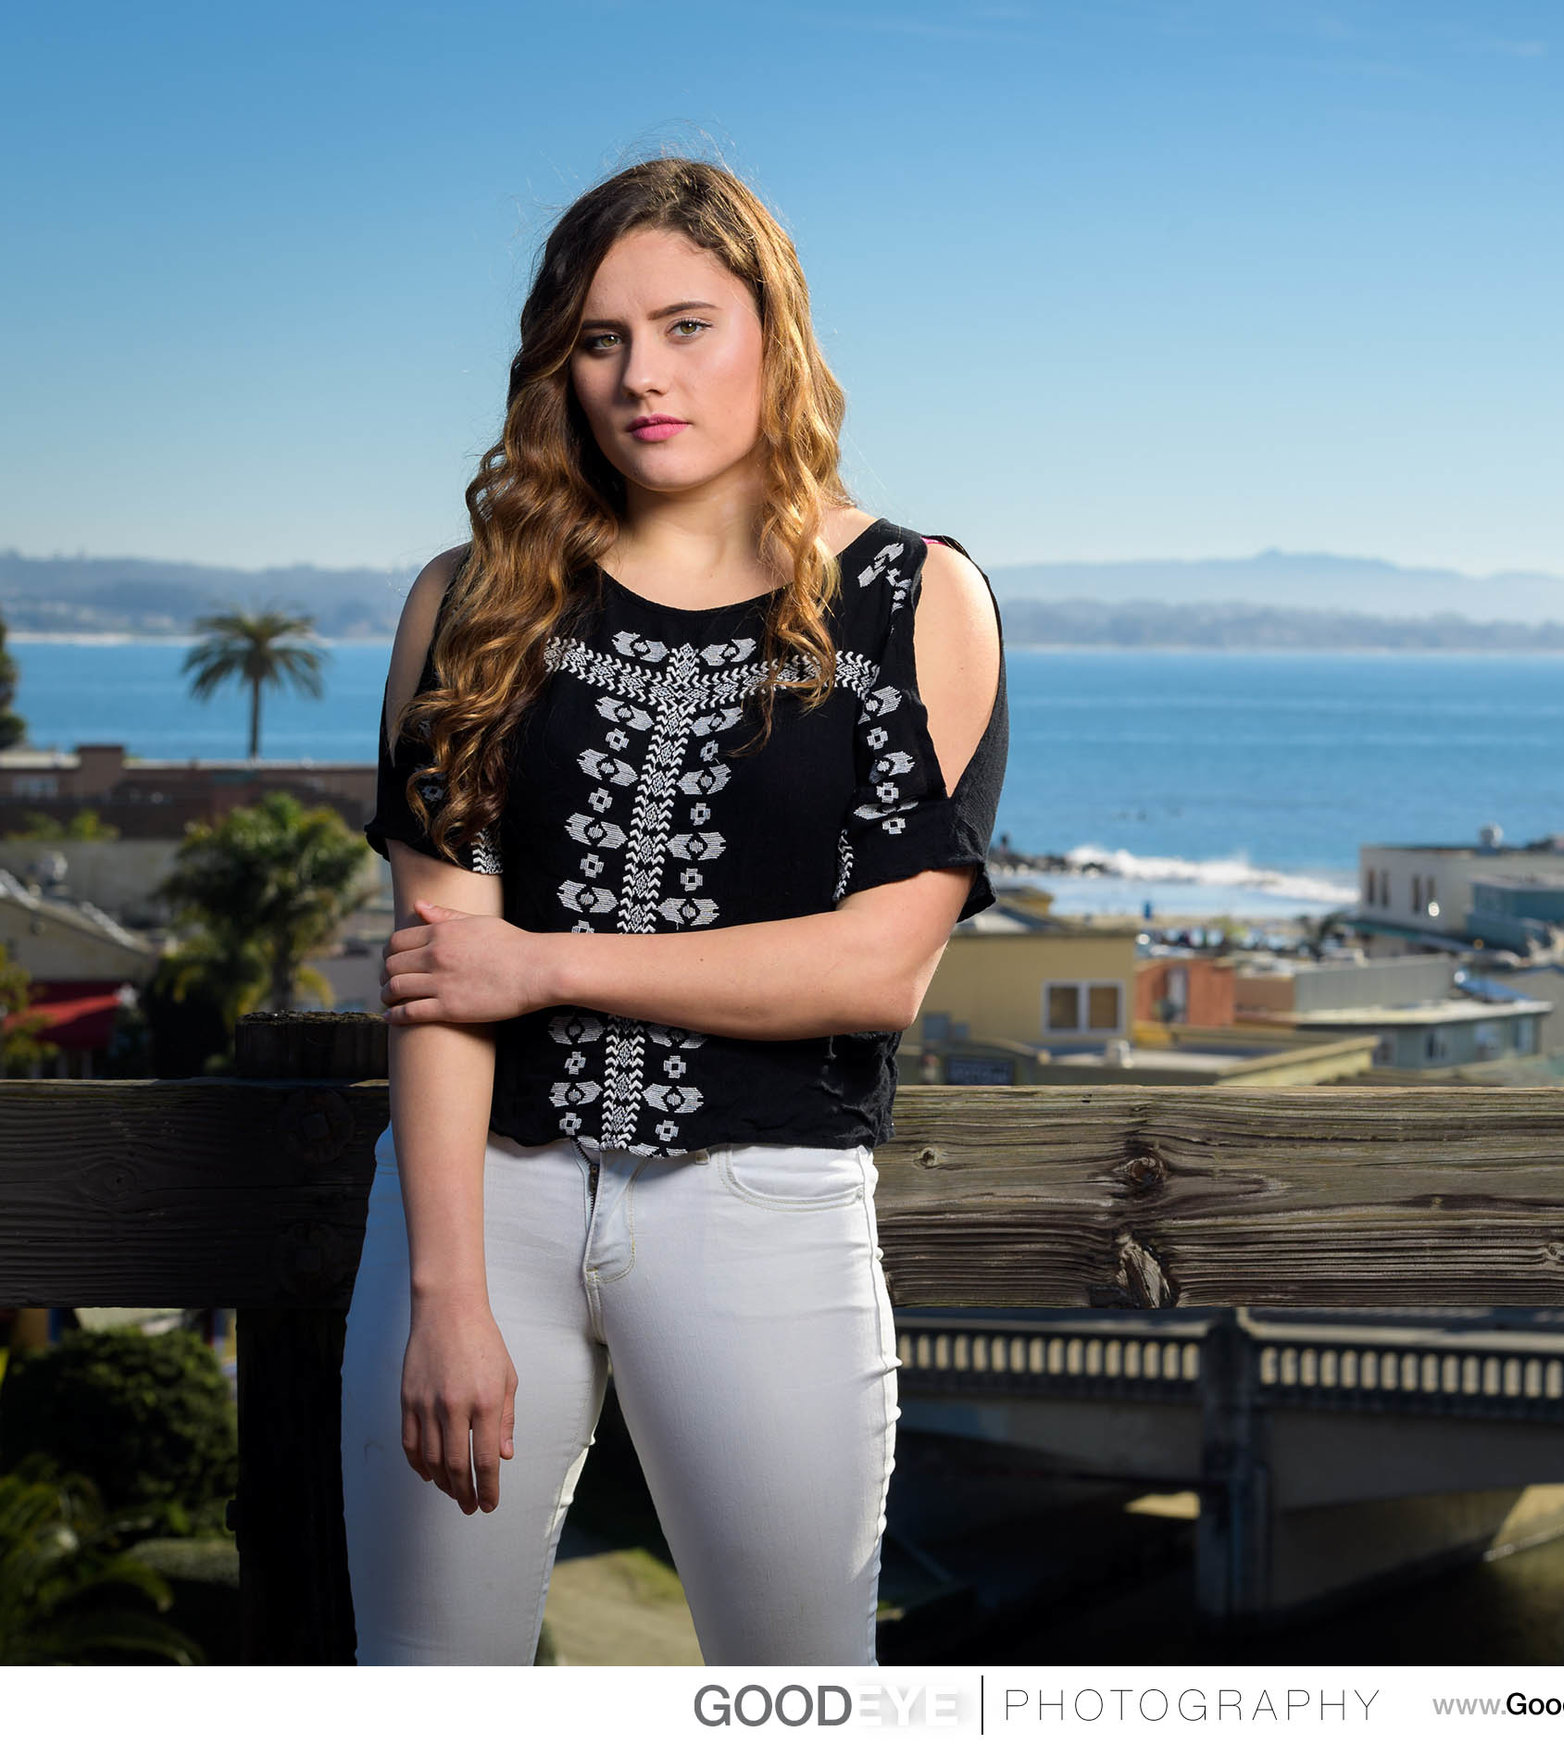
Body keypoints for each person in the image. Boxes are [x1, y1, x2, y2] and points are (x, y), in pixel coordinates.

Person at [343, 156, 1006, 1666]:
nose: (644, 375)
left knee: (801, 1685)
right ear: (557, 369)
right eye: (599, 339)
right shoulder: (471, 598)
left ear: (775, 330)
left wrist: (541, 961)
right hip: (476, 1205)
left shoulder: (915, 601)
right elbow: (444, 975)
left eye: (688, 325)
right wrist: (443, 1293)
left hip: (762, 1206)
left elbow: (880, 967)